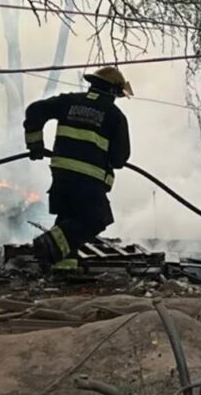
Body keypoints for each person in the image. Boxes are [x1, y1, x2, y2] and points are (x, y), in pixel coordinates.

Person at [23, 66, 132, 271]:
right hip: (89, 180)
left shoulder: (68, 102)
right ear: (112, 91)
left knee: (68, 220)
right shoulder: (115, 116)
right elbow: (120, 159)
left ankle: (64, 269)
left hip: (61, 175)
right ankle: (47, 245)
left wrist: (35, 144)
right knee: (98, 218)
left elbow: (35, 110)